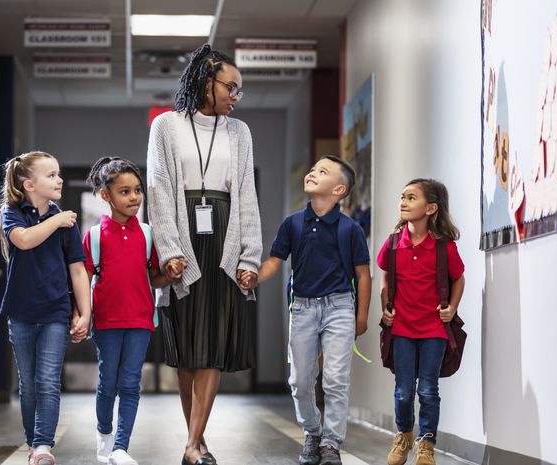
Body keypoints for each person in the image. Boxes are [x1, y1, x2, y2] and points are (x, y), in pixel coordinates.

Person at [146, 43, 262, 465]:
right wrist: (170, 250)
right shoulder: (165, 126)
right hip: (183, 238)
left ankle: (193, 445)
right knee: (187, 352)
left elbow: (246, 196)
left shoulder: (240, 133)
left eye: (239, 90)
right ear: (204, 81)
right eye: (230, 87)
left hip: (224, 240)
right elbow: (158, 192)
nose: (235, 95)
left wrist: (248, 257)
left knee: (211, 344)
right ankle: (197, 441)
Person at [252, 155, 371, 465]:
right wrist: (252, 277)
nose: (312, 173)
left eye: (323, 171)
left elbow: (363, 275)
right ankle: (312, 432)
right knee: (300, 381)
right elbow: (274, 263)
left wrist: (361, 316)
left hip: (340, 308)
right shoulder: (293, 224)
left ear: (339, 189)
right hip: (302, 309)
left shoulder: (350, 229)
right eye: (313, 169)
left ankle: (331, 443)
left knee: (335, 380)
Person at [82, 157, 184, 465]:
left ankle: (121, 448)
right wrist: (82, 315)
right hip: (107, 321)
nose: (134, 197)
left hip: (141, 320)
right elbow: (84, 278)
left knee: (130, 383)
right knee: (107, 383)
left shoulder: (148, 234)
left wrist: (169, 275)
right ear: (106, 196)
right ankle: (104, 435)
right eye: (124, 192)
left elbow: (152, 276)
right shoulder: (94, 237)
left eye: (137, 190)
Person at [0, 151, 91, 465]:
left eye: (58, 173)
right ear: (29, 185)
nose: (59, 179)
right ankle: (31, 439)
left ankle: (42, 445)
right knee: (28, 384)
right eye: (50, 175)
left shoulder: (67, 223)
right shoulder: (13, 213)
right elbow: (23, 240)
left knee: (47, 380)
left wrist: (85, 312)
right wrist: (55, 221)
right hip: (21, 312)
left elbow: (78, 271)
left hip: (55, 311)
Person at [378, 179, 465, 465]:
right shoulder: (393, 244)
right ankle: (403, 437)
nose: (403, 202)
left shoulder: (444, 247)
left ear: (430, 208)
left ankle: (426, 444)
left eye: (411, 198)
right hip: (402, 328)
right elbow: (386, 279)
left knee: (428, 389)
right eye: (402, 197)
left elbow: (458, 278)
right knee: (404, 391)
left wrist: (451, 308)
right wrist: (385, 308)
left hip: (434, 329)